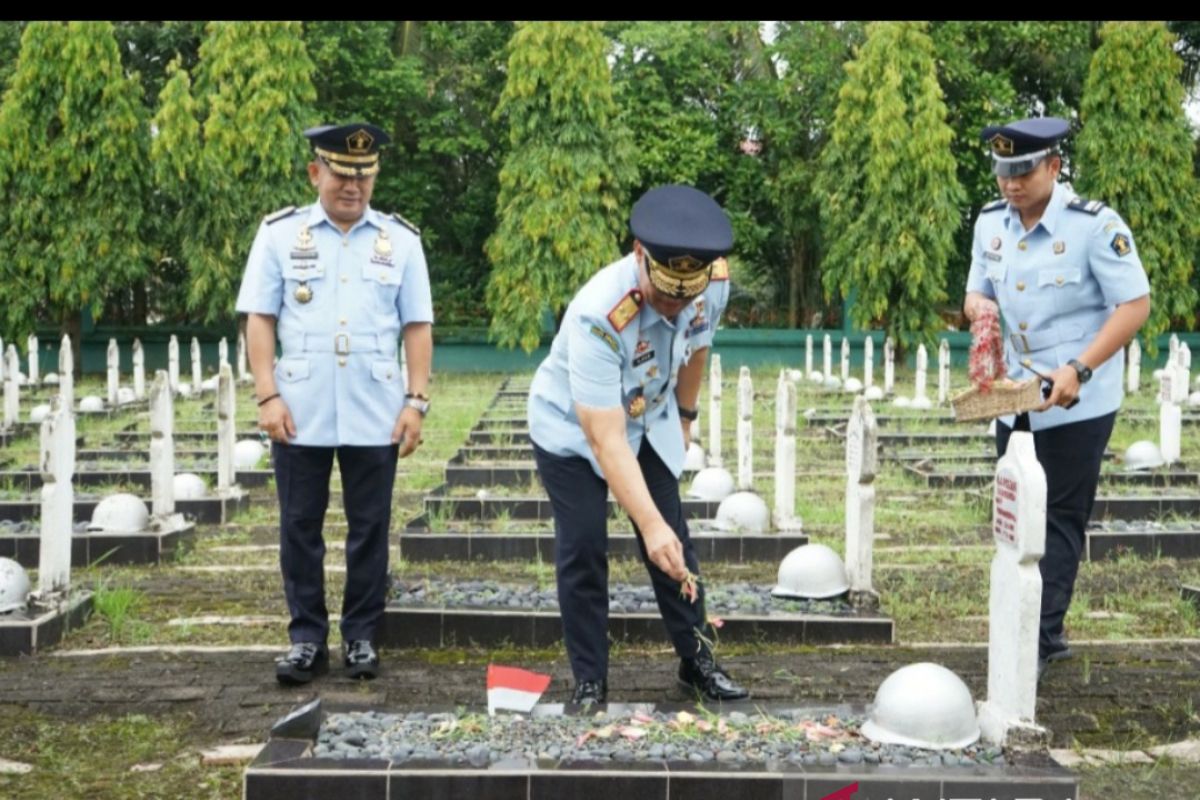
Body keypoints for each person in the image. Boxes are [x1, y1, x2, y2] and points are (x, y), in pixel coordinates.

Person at [527, 184, 749, 704]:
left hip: (647, 417)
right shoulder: (598, 316)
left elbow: (697, 346)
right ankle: (590, 679)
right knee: (583, 545)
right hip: (572, 431)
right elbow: (605, 441)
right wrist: (647, 526)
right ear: (638, 255)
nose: (674, 306)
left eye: (685, 295)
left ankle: (697, 662)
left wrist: (687, 418)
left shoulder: (710, 283)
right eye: (666, 292)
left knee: (676, 540)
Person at [236, 122, 434, 685]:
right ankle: (305, 639)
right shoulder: (279, 235)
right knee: (300, 526)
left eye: (364, 174)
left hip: (375, 406)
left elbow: (417, 326)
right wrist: (267, 393)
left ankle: (362, 636)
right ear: (315, 172)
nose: (354, 185)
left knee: (369, 527)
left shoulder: (401, 241)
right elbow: (260, 318)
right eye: (343, 173)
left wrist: (416, 401)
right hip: (300, 407)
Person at [963, 117, 1150, 679]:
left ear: (1053, 167)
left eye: (1023, 171)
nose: (1011, 184)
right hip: (1015, 394)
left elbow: (1134, 305)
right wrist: (980, 311)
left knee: (1060, 518)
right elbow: (978, 289)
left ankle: (1039, 638)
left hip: (1078, 399)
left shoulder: (1094, 227)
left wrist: (1081, 368)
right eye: (1003, 172)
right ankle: (1028, 622)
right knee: (1015, 512)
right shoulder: (990, 223)